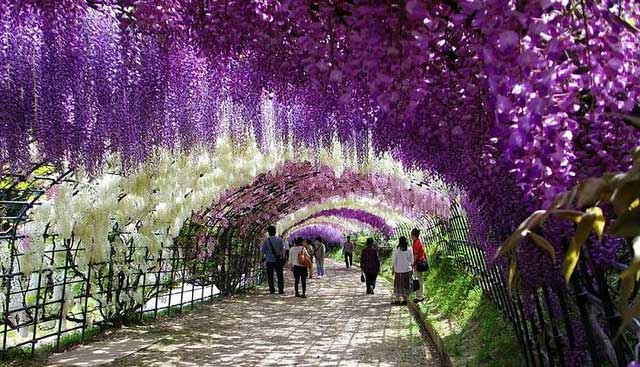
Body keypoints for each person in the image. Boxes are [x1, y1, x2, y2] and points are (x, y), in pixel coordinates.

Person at [261, 226, 285, 295]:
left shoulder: (266, 241)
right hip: (278, 260)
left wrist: (261, 258)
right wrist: (280, 255)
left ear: (268, 232)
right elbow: (283, 250)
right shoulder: (280, 240)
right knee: (280, 275)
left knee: (270, 275)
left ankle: (272, 290)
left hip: (269, 260)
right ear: (275, 232)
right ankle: (281, 290)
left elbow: (263, 251)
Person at [391, 236, 414, 305]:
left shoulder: (397, 250)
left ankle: (397, 299)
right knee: (405, 285)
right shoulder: (409, 249)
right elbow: (412, 260)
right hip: (407, 270)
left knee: (398, 285)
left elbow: (394, 261)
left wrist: (393, 269)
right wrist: (411, 267)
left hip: (398, 271)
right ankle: (405, 300)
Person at [411, 228, 427, 303]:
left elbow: (416, 255)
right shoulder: (418, 241)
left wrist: (413, 263)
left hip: (418, 263)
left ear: (414, 235)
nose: (411, 236)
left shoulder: (416, 243)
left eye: (411, 235)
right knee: (420, 278)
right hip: (421, 261)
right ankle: (420, 295)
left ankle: (419, 296)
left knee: (418, 279)